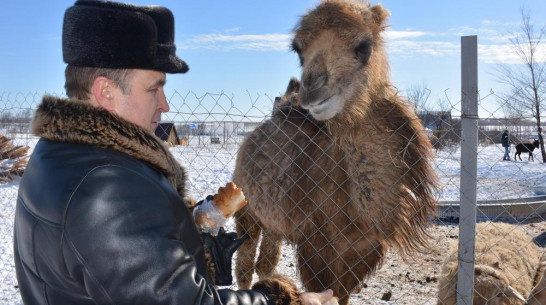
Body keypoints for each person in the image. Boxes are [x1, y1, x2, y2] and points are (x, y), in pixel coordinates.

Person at [13, 1, 333, 304]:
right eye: (154, 88)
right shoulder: (108, 187)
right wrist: (282, 300)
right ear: (106, 92)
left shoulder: (58, 153)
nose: (164, 104)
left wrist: (192, 240)